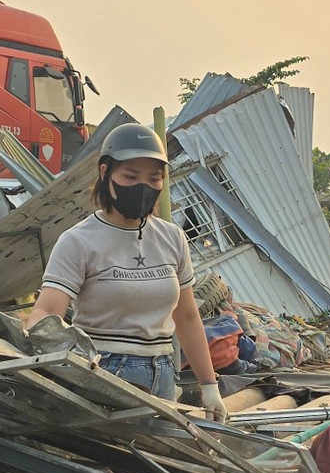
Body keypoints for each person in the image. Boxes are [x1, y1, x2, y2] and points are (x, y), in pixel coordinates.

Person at [28, 123, 227, 419]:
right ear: (105, 173)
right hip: (104, 372)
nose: (143, 187)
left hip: (162, 371)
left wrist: (209, 386)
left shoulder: (172, 238)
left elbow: (186, 316)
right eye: (131, 176)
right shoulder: (79, 240)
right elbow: (47, 313)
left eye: (154, 178)